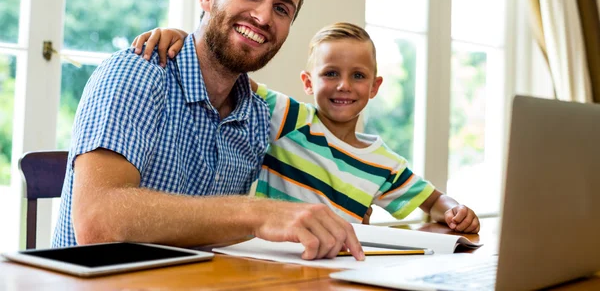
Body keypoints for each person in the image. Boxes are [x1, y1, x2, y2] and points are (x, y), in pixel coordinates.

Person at [52, 0, 366, 262]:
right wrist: (255, 213)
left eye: (282, 9)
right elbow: (97, 223)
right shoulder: (137, 73)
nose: (263, 17)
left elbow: (332, 144)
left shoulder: (258, 117)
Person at [133, 22, 481, 233]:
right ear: (308, 82)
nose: (344, 85)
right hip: (267, 259)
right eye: (331, 74)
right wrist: (181, 37)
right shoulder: (289, 117)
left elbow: (434, 202)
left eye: (357, 76)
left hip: (339, 269)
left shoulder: (385, 163)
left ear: (374, 87)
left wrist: (455, 211)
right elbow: (226, 74)